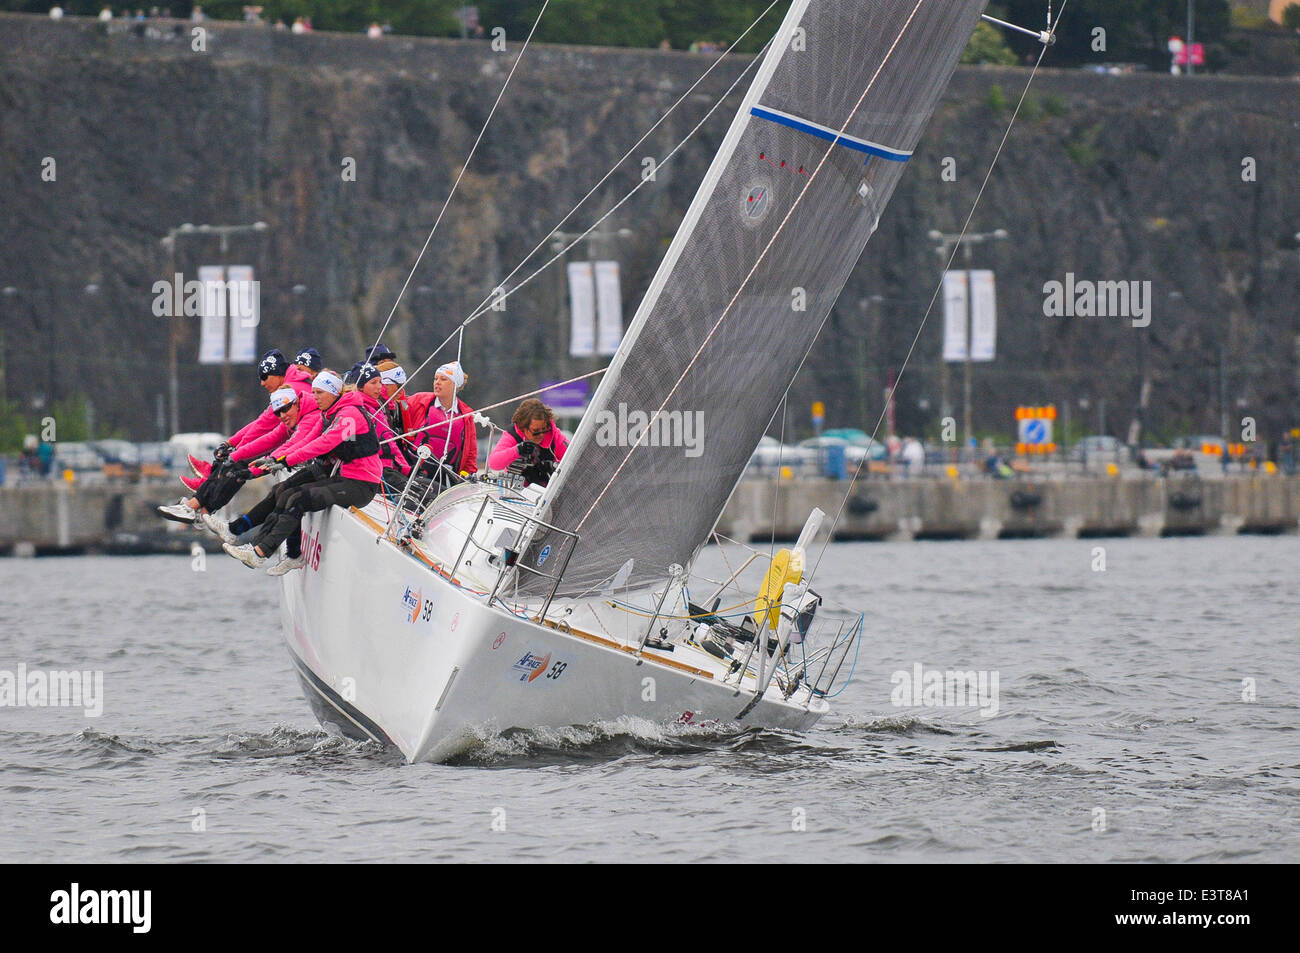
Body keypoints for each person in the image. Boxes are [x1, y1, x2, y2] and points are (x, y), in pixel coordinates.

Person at [222, 370, 382, 573]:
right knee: (288, 493)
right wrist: (275, 459)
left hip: (362, 485)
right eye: (313, 392)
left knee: (298, 499)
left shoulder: (349, 415)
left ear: (333, 392)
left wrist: (286, 460)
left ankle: (260, 553)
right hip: (344, 477)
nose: (314, 397)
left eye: (319, 393)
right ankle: (269, 550)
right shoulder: (329, 413)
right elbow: (306, 441)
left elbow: (323, 444)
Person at [407, 361, 478, 483]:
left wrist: (467, 476)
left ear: (455, 385)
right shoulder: (419, 401)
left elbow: (470, 453)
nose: (437, 383)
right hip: (415, 471)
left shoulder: (466, 415)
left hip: (447, 476)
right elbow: (396, 408)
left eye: (443, 379)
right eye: (435, 379)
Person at [489, 398, 568, 486]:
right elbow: (493, 463)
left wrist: (554, 466)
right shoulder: (513, 435)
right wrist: (517, 450)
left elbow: (572, 462)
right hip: (517, 490)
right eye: (536, 431)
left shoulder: (555, 436)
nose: (541, 434)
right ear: (523, 428)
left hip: (548, 489)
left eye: (544, 429)